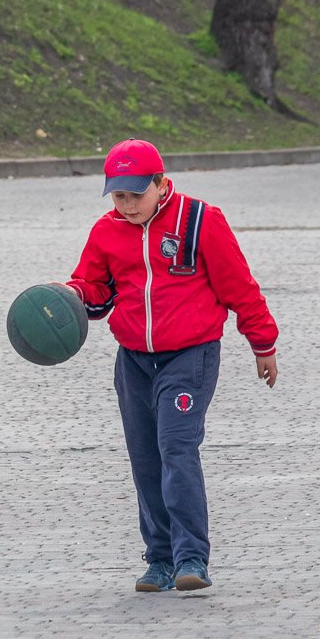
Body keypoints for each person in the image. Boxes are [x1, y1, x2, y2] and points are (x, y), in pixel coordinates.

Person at [65, 138, 278, 593]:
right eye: (118, 196)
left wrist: (263, 342)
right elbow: (93, 287)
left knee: (176, 448)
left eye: (135, 194)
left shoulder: (201, 221)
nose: (126, 205)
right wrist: (72, 296)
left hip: (190, 356)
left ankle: (191, 558)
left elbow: (240, 287)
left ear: (160, 184)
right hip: (134, 362)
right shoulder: (106, 231)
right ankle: (159, 560)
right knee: (145, 457)